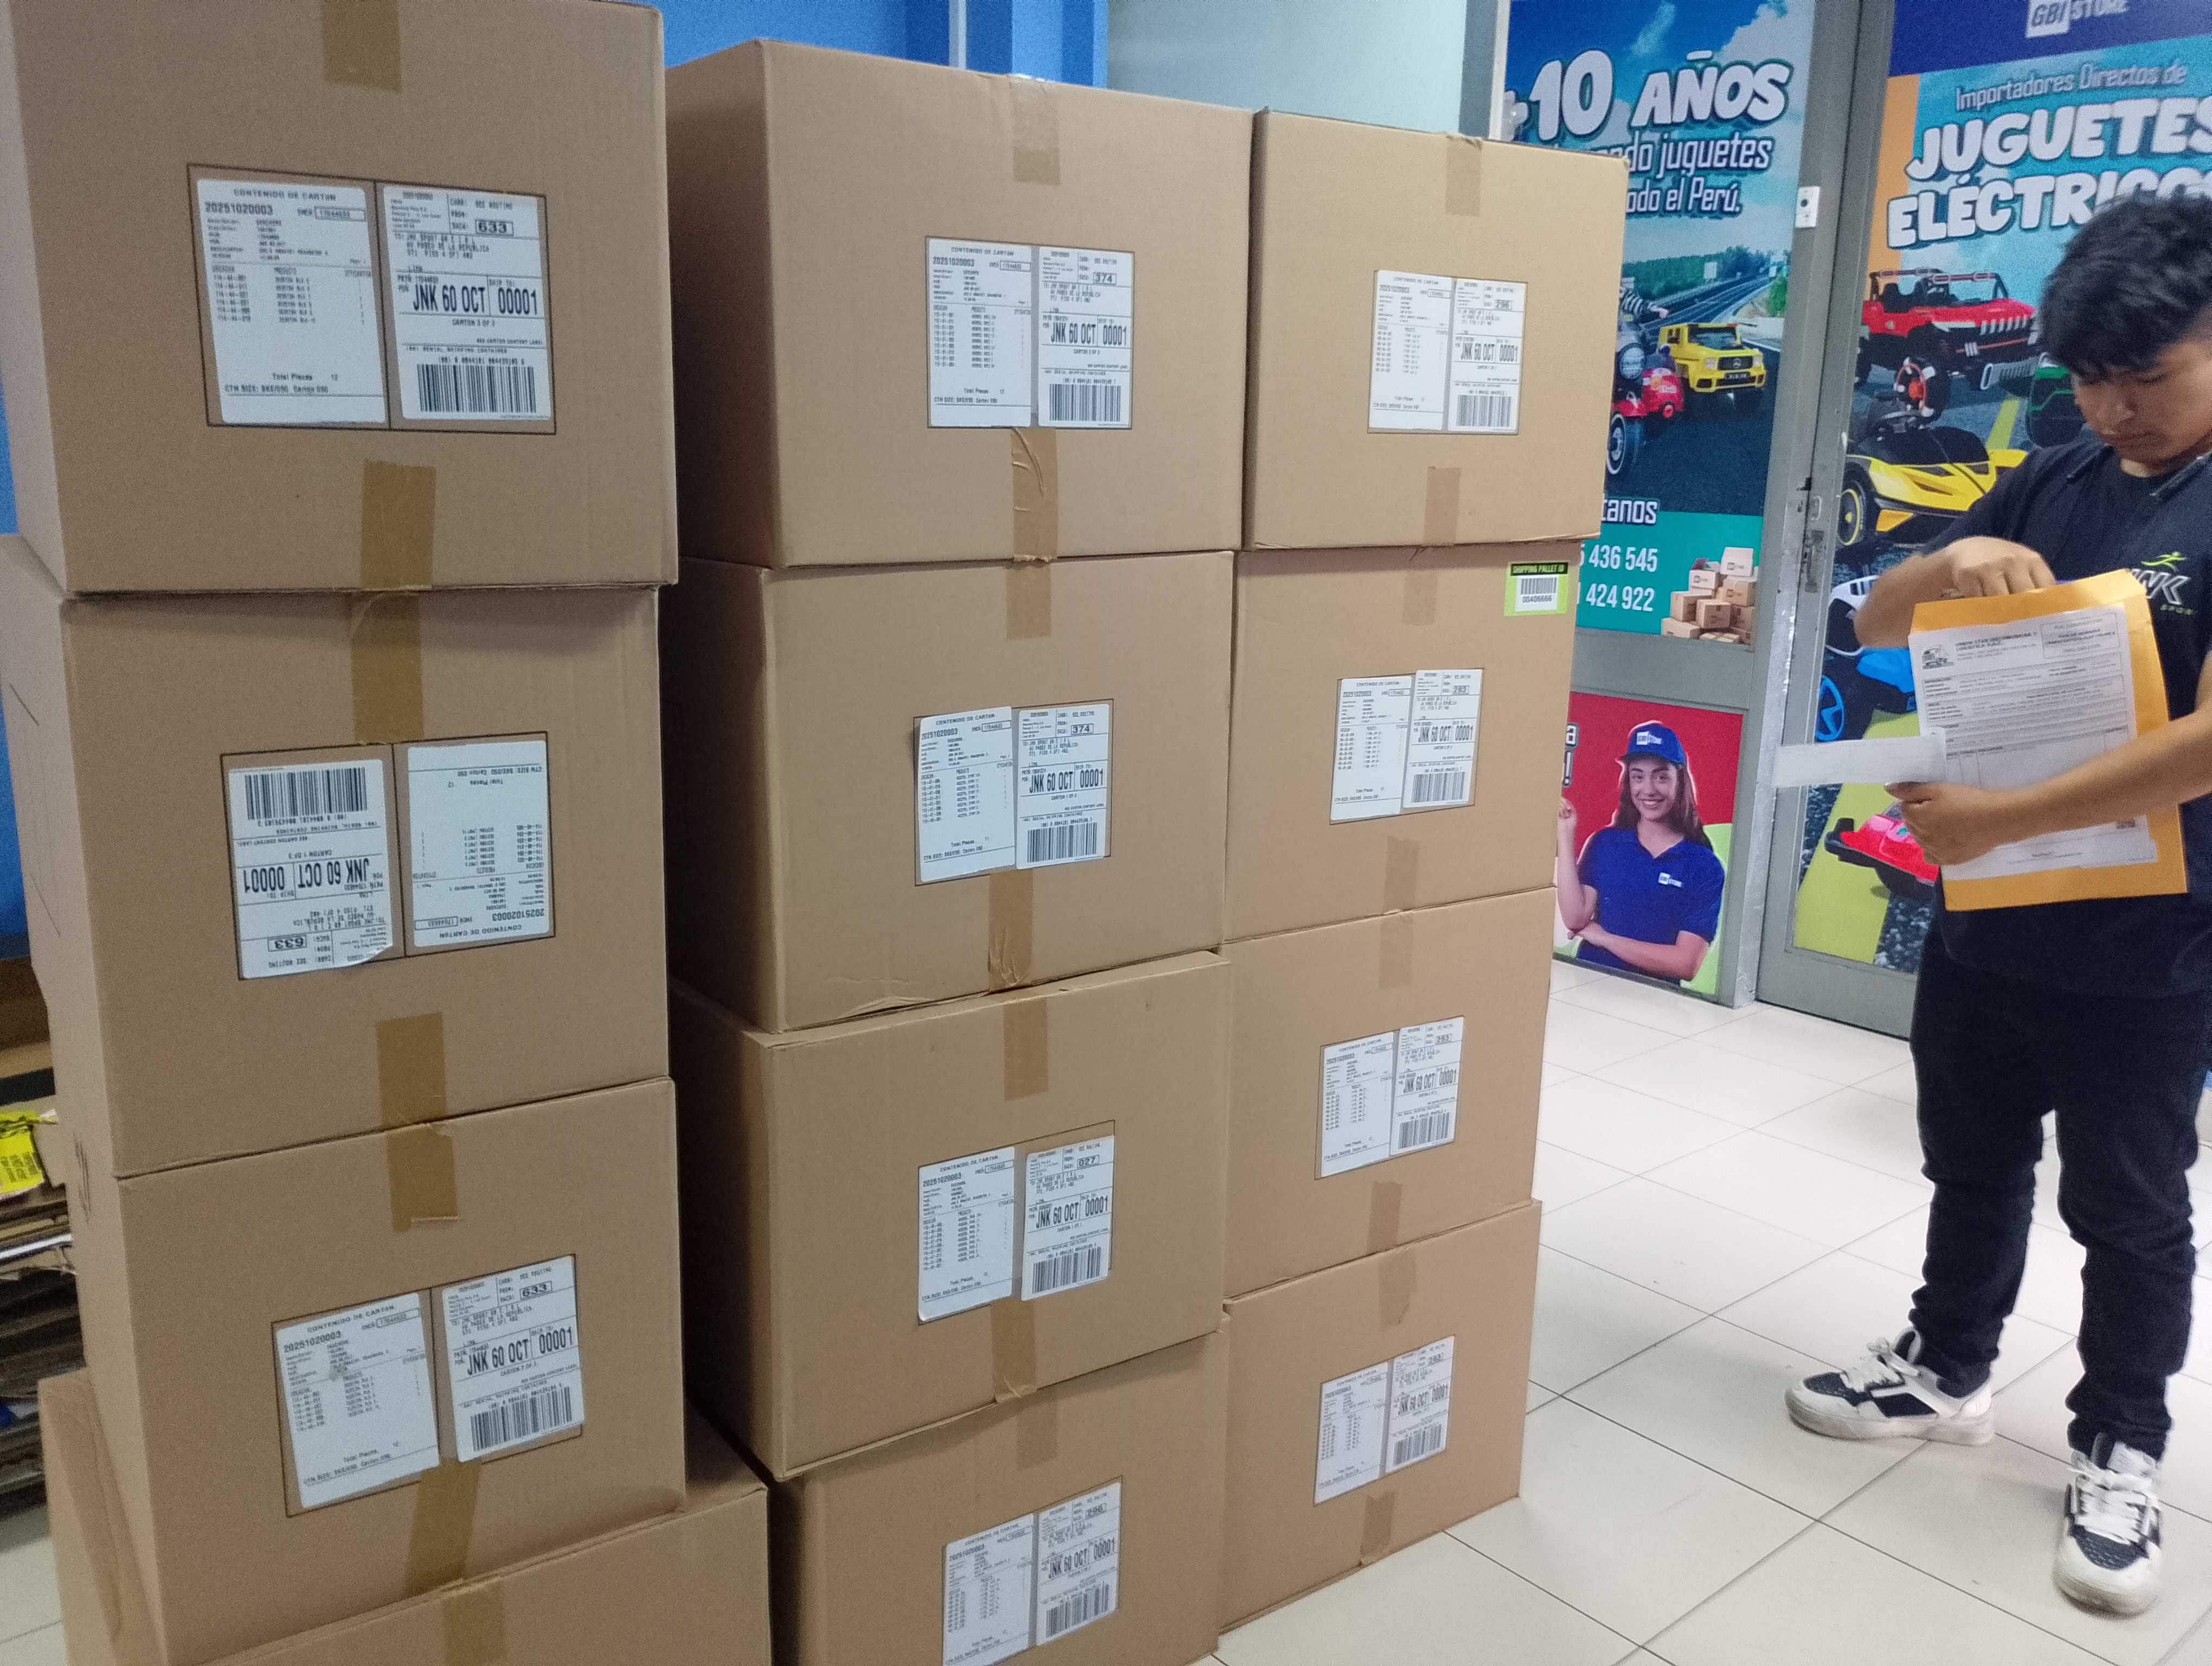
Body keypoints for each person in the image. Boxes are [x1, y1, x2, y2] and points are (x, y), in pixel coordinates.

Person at [1785, 196, 2212, 1618]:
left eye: (2146, 377)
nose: (2115, 408)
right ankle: (1947, 1366)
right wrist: (1950, 563)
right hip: (1993, 911)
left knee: (2128, 1204)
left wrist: (2000, 820)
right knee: (1971, 1158)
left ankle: (2123, 1442)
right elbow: (1878, 623)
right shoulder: (2051, 473)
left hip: (2153, 936)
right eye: (2089, 379)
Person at [1554, 721, 1724, 985]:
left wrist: (1605, 939)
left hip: (1655, 998)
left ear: (1680, 780)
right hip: (1589, 984)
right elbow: (1576, 918)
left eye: (1661, 777)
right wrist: (1565, 834)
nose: (1648, 789)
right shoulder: (1606, 844)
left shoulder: (1704, 866)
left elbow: (1686, 964)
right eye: (1638, 776)